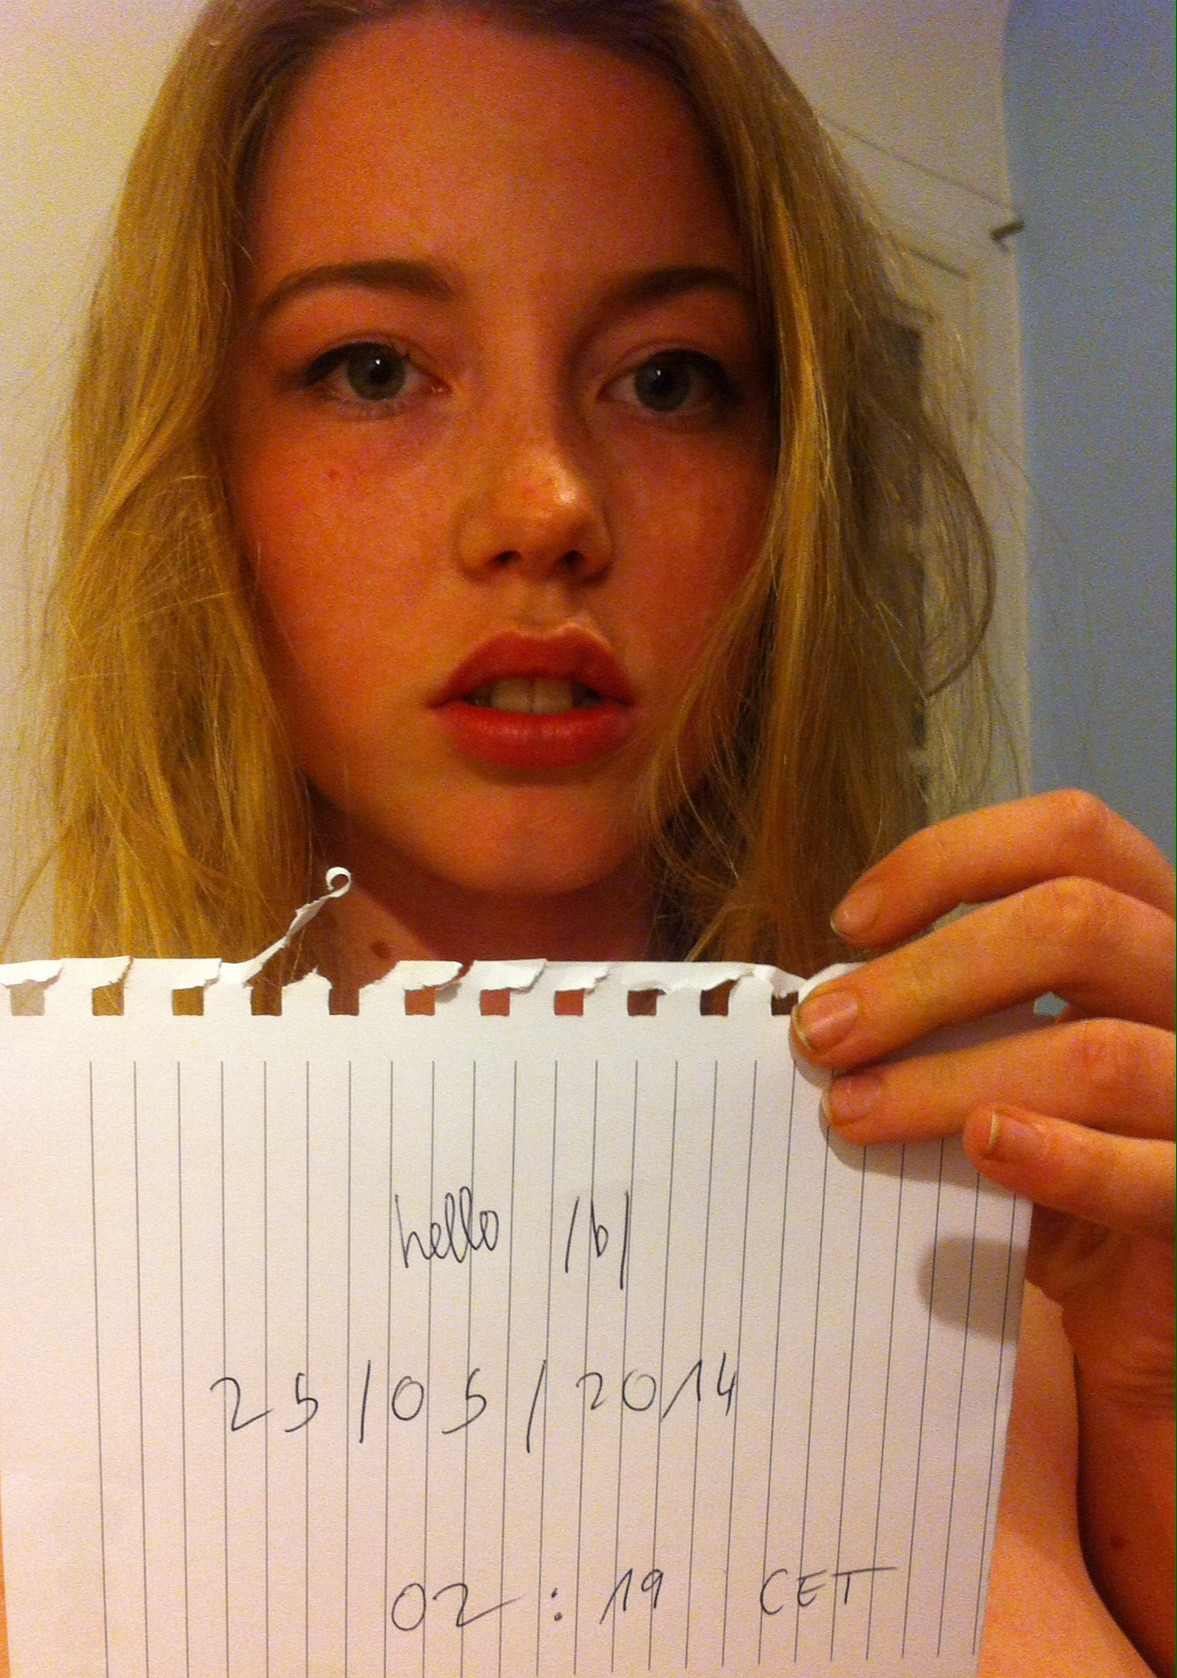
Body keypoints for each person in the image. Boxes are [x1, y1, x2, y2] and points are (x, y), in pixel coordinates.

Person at [4, 0, 1173, 1672]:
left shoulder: (1014, 1249)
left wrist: (1149, 1378)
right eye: (375, 370)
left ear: (787, 482)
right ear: (204, 462)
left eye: (666, 380)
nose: (546, 502)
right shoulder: (42, 1269)